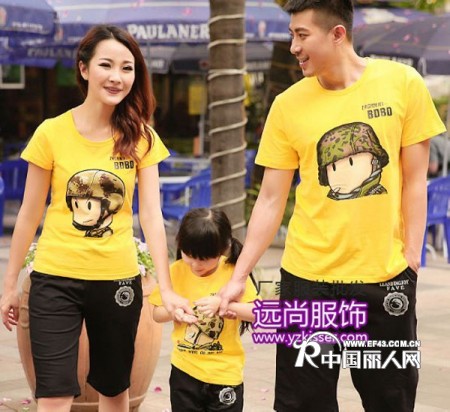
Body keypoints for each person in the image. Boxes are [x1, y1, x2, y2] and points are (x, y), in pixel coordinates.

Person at [218, 1, 447, 411]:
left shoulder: (403, 84)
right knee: (303, 404)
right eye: (292, 35)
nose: (293, 46)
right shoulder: (287, 104)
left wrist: (411, 259)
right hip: (307, 281)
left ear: (337, 34)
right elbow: (270, 199)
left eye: (302, 35)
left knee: (390, 400)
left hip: (383, 279)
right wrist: (240, 275)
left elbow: (416, 180)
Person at [0, 24, 190, 412]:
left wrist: (167, 288)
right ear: (84, 69)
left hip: (117, 282)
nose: (117, 77)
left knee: (114, 392)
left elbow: (151, 216)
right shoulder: (51, 133)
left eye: (127, 68)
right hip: (54, 279)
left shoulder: (141, 137)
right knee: (53, 395)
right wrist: (9, 286)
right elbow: (29, 215)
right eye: (106, 65)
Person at [149, 208, 259, 412]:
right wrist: (174, 311)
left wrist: (224, 304)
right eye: (189, 255)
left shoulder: (234, 273)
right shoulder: (176, 271)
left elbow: (257, 313)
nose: (195, 265)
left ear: (222, 249)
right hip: (184, 372)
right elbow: (156, 314)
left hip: (225, 374)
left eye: (204, 258)